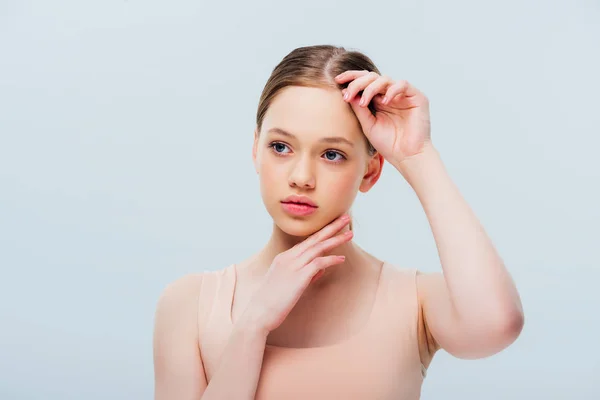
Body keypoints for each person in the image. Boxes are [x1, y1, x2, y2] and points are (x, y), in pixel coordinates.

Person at [152, 44, 524, 400]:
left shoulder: (415, 302)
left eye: (332, 154)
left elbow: (497, 324)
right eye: (280, 147)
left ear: (371, 172)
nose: (301, 176)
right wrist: (253, 326)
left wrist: (417, 155)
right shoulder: (189, 305)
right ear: (255, 149)